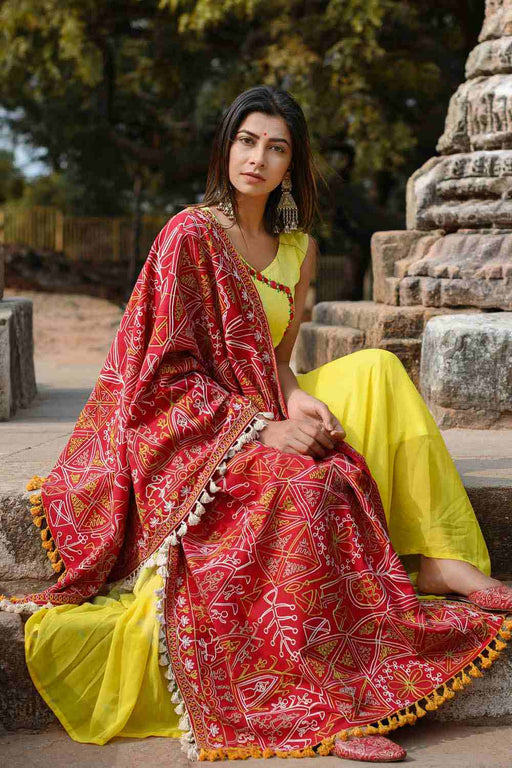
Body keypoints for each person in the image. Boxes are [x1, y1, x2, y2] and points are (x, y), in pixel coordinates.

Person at [1, 85, 511, 763]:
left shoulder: (297, 247)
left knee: (381, 371)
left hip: (264, 398)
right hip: (196, 428)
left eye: (276, 148)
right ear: (226, 148)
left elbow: (276, 358)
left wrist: (292, 400)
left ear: (291, 165)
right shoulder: (190, 235)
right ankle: (319, 700)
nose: (257, 158)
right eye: (247, 141)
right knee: (308, 484)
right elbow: (161, 375)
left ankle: (442, 561)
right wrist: (260, 429)